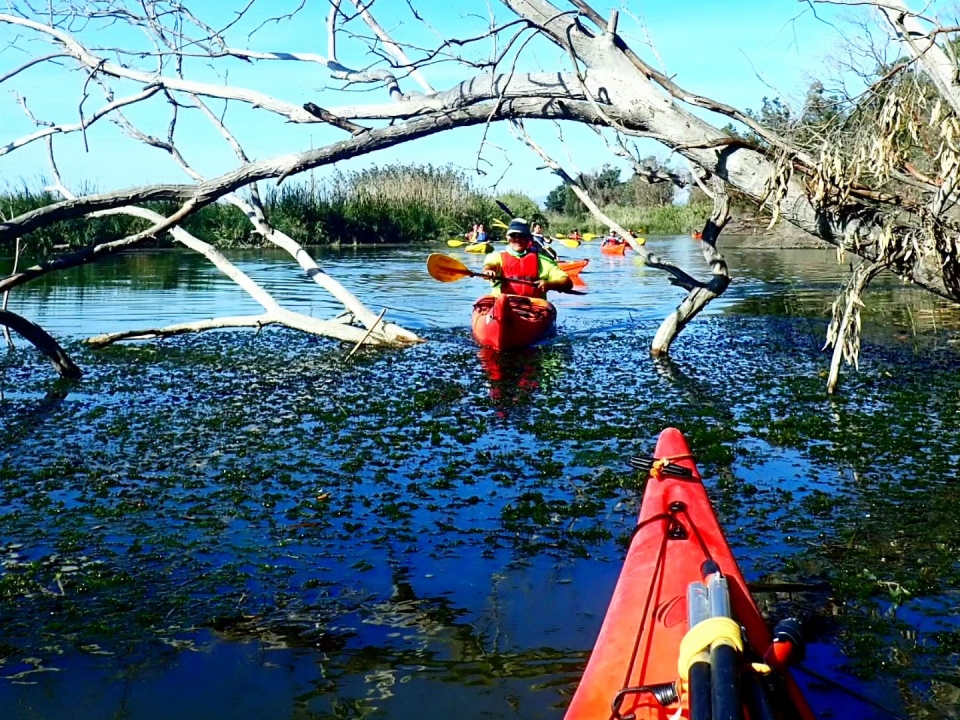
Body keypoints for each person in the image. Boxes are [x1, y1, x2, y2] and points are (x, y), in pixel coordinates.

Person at [482, 218, 572, 297]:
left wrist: (550, 285)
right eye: (513, 235)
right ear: (507, 237)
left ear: (528, 238)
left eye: (521, 236)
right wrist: (488, 271)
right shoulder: (496, 256)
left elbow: (567, 283)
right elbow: (489, 265)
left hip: (533, 305)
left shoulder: (542, 260)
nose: (517, 239)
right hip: (503, 303)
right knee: (500, 302)